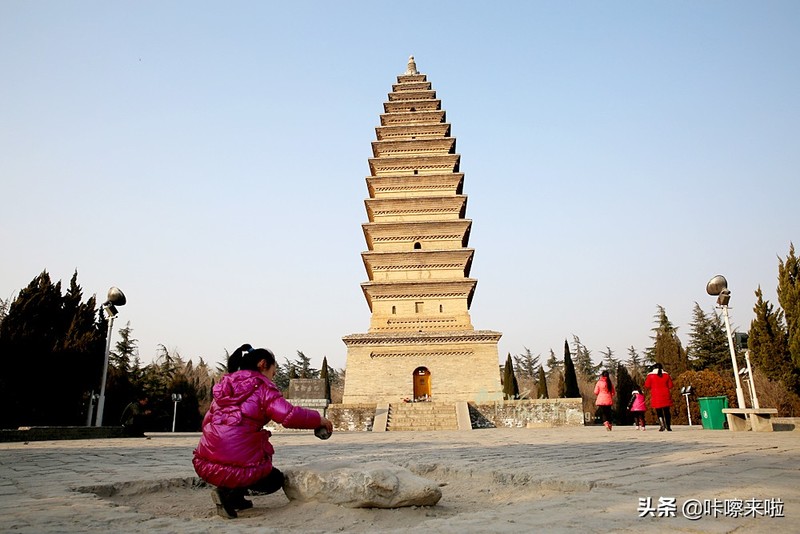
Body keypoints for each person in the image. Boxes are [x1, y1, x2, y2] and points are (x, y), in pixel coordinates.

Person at [193, 343, 334, 519]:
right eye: (273, 373)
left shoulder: (225, 387)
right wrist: (318, 420)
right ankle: (227, 494)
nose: (273, 378)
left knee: (239, 460)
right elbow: (288, 415)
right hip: (236, 463)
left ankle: (234, 497)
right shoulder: (262, 387)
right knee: (274, 480)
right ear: (262, 364)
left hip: (205, 462)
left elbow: (207, 421)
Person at [644, 363, 674, 431]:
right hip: (666, 394)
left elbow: (647, 385)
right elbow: (670, 385)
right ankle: (668, 426)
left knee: (659, 412)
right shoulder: (666, 375)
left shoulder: (650, 376)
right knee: (667, 411)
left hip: (656, 395)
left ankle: (662, 426)